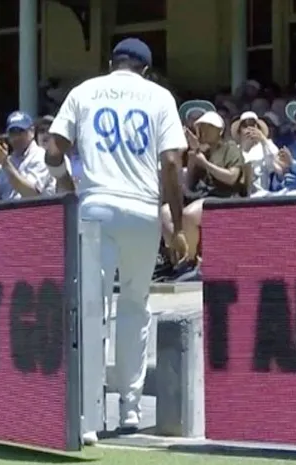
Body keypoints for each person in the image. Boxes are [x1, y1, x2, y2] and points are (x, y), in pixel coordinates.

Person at [44, 37, 188, 444]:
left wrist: (68, 185)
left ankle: (88, 416)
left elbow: (53, 151)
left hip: (96, 206)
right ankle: (129, 407)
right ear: (146, 68)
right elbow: (173, 162)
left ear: (112, 63)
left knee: (93, 309)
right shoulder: (159, 96)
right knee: (134, 308)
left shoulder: (84, 91)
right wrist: (176, 225)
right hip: (143, 209)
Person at [161, 111, 245, 282]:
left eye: (209, 127)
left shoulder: (230, 148)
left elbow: (231, 178)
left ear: (219, 130)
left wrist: (205, 163)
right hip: (201, 195)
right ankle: (178, 258)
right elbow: (190, 184)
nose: (203, 130)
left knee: (189, 215)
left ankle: (191, 262)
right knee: (165, 212)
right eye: (201, 127)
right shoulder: (198, 151)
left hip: (224, 196)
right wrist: (194, 157)